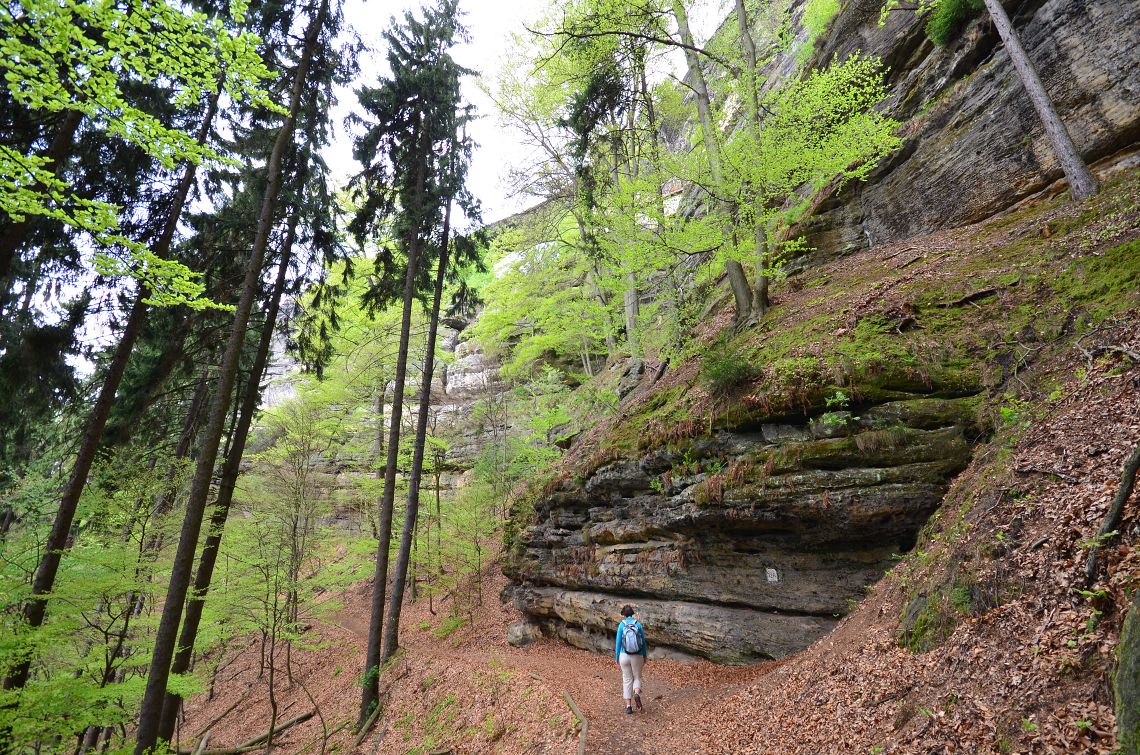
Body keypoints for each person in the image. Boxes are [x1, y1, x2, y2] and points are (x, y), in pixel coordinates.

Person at [614, 605, 647, 714]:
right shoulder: (638, 624)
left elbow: (618, 643)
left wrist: (617, 657)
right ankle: (636, 693)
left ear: (623, 614)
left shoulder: (621, 625)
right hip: (637, 655)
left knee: (627, 679)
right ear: (632, 613)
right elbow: (643, 642)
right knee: (637, 677)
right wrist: (644, 655)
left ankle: (628, 706)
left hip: (624, 655)